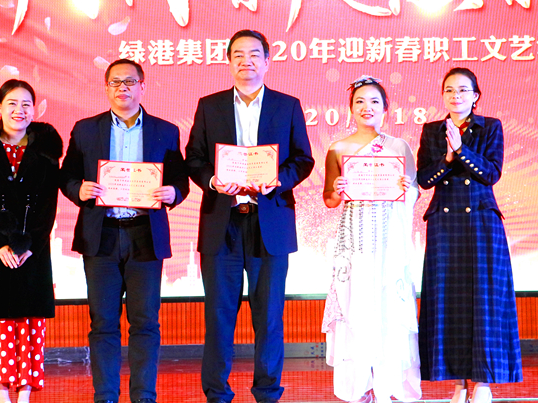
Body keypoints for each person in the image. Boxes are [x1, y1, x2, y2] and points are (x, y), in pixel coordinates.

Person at [185, 29, 314, 403]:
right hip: (221, 222)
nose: (246, 61)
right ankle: (217, 393)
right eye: (238, 54)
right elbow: (194, 158)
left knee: (269, 316)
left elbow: (303, 159)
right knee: (219, 316)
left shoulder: (287, 105)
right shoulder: (209, 106)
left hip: (268, 222)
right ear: (228, 62)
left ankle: (268, 392)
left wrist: (277, 181)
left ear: (268, 61)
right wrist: (212, 180)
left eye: (255, 54)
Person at [60, 58, 189, 403]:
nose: (123, 88)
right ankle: (105, 395)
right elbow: (67, 176)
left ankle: (144, 395)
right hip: (101, 236)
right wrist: (78, 190)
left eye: (130, 81)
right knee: (103, 322)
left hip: (145, 234)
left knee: (145, 322)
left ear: (142, 86)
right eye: (115, 82)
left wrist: (173, 193)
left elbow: (180, 180)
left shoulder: (165, 130)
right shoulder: (86, 129)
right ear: (106, 88)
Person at [417, 67, 522, 403]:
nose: (456, 96)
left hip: (481, 221)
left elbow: (491, 173)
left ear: (476, 96)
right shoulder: (432, 130)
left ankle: (483, 382)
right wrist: (448, 157)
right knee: (448, 301)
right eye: (449, 90)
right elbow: (424, 179)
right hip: (444, 224)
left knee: (485, 300)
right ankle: (459, 382)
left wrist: (462, 149)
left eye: (463, 90)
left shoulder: (490, 127)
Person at [321, 76, 422, 403]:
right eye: (360, 101)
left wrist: (408, 188)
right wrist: (338, 191)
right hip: (355, 239)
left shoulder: (399, 147)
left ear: (385, 108)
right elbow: (329, 199)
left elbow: (413, 192)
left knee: (388, 305)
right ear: (351, 108)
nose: (367, 107)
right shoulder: (338, 149)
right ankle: (360, 385)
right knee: (357, 305)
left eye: (374, 101)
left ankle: (389, 384)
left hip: (389, 238)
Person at [0, 80, 63, 403]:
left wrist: (31, 245)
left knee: (30, 321)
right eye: (12, 104)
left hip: (33, 250)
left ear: (34, 110)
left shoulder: (46, 150)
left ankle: (25, 396)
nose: (19, 111)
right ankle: (2, 395)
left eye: (26, 104)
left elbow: (48, 204)